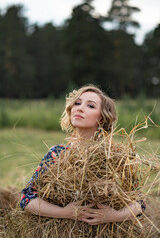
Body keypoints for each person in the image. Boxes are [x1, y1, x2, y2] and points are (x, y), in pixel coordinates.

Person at [20, 84, 145, 225]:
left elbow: (139, 202)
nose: (79, 108)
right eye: (77, 103)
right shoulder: (57, 154)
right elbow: (27, 199)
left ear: (102, 118)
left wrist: (114, 216)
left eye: (90, 106)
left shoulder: (116, 156)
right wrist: (66, 213)